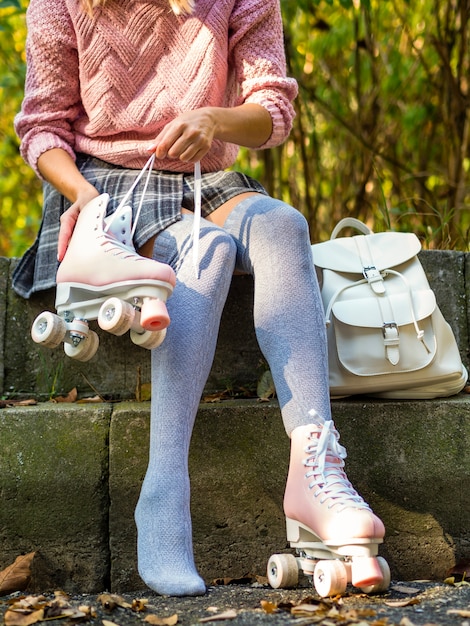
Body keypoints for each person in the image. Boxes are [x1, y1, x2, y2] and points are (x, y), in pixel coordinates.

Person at [14, 0, 386, 597]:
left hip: (207, 174)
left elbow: (273, 110)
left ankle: (316, 468)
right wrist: (87, 206)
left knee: (284, 225)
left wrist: (214, 119)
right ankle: (162, 494)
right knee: (208, 251)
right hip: (107, 182)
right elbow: (42, 128)